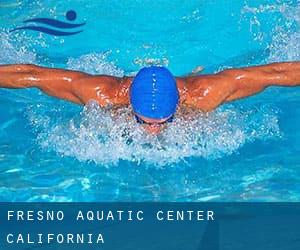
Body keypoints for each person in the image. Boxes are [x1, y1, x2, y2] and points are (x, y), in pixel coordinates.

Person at [0, 62, 299, 134]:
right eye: (142, 121)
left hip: (191, 84)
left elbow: (273, 74)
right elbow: (31, 75)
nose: (153, 131)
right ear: (130, 105)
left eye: (163, 122)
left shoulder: (204, 94)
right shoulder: (101, 93)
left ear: (177, 107)